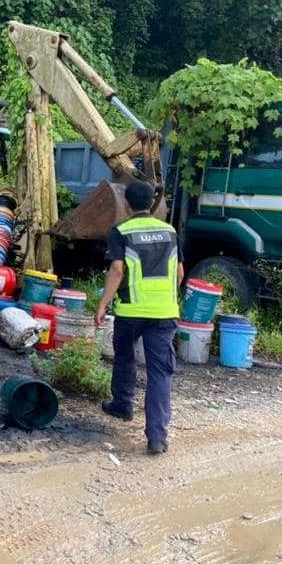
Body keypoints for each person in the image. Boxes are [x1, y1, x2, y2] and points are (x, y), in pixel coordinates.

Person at [94, 181, 183, 455]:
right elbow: (179, 273)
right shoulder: (170, 232)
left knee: (124, 356)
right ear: (152, 203)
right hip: (163, 313)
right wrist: (167, 298)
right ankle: (157, 437)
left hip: (131, 311)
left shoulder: (122, 231)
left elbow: (117, 270)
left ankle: (122, 405)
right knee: (160, 372)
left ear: (127, 204)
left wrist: (103, 304)